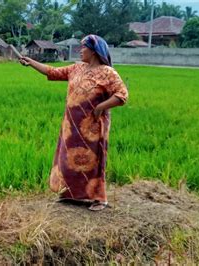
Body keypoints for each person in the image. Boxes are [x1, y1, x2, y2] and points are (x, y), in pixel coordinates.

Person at [19, 34, 128, 211]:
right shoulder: (76, 69)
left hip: (92, 126)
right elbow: (52, 72)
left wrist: (101, 106)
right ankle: (68, 193)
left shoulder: (108, 72)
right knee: (69, 160)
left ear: (94, 51)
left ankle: (99, 198)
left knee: (94, 161)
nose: (80, 50)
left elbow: (122, 95)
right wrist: (31, 62)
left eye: (83, 47)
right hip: (72, 125)